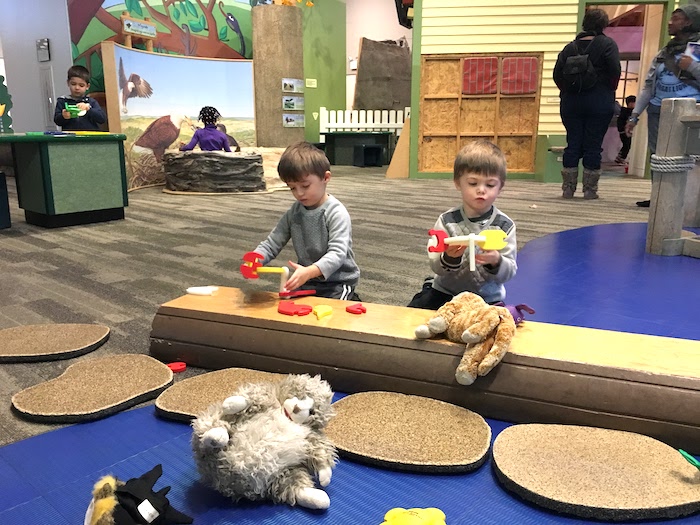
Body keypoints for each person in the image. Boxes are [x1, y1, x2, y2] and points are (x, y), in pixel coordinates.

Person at [407, 140, 517, 310]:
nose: (481, 190)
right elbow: (436, 266)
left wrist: (497, 261)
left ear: (500, 186)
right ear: (458, 183)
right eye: (473, 183)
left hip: (487, 299)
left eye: (490, 184)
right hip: (446, 294)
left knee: (496, 328)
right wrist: (450, 257)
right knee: (414, 317)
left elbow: (509, 271)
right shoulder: (446, 221)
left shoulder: (504, 226)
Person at [250, 141, 360, 300]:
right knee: (288, 309)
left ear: (325, 178)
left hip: (337, 282)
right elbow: (272, 242)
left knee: (333, 316)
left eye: (305, 186)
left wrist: (309, 271)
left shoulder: (336, 212)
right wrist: (255, 258)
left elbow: (337, 254)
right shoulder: (295, 212)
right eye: (292, 188)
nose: (299, 193)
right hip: (307, 279)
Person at [625, 4, 700, 207]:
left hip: (690, 113)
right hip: (659, 110)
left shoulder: (697, 49)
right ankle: (659, 197)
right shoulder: (664, 52)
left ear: (689, 22)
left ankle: (686, 201)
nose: (670, 22)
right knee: (658, 156)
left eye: (676, 18)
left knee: (689, 156)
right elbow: (649, 86)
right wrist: (635, 116)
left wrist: (692, 66)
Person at [553, 8, 621, 200]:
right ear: (603, 25)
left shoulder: (569, 48)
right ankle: (590, 190)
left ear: (584, 24)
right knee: (593, 145)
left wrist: (569, 90)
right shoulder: (608, 45)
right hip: (599, 102)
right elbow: (615, 71)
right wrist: (606, 89)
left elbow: (557, 75)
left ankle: (568, 188)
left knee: (572, 143)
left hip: (572, 103)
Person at [53, 65, 106, 131]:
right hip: (71, 138)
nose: (77, 88)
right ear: (68, 83)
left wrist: (88, 109)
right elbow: (57, 121)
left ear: (87, 86)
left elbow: (102, 119)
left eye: (81, 85)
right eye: (73, 84)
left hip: (89, 138)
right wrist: (63, 116)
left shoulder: (91, 102)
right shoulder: (62, 101)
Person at [616, 95, 636, 164]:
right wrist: (622, 130)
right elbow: (620, 121)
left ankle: (620, 157)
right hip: (624, 132)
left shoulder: (625, 112)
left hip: (626, 131)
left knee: (626, 145)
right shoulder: (627, 112)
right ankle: (621, 158)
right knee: (627, 145)